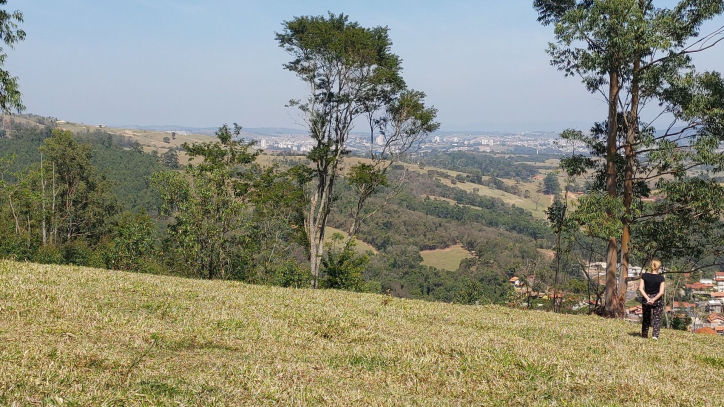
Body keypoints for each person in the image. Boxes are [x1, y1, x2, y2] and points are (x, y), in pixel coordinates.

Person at [639, 259, 666, 339]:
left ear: (651, 266)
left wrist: (647, 298)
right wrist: (653, 299)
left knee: (646, 318)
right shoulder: (661, 278)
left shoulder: (644, 276)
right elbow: (661, 292)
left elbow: (640, 288)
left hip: (646, 298)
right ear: (658, 267)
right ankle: (655, 336)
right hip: (657, 300)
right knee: (657, 318)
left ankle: (644, 335)